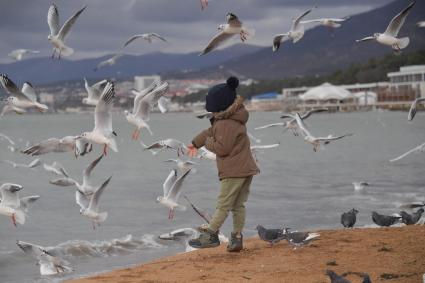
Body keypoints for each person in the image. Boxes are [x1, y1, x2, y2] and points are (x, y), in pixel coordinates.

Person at [187, 76, 259, 252]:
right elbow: (210, 131)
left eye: (211, 110)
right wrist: (195, 143)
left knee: (223, 205)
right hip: (246, 168)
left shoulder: (226, 123)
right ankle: (236, 239)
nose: (210, 114)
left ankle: (210, 235)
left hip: (233, 171)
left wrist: (208, 142)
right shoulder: (232, 118)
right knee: (238, 205)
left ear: (219, 106)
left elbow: (222, 148)